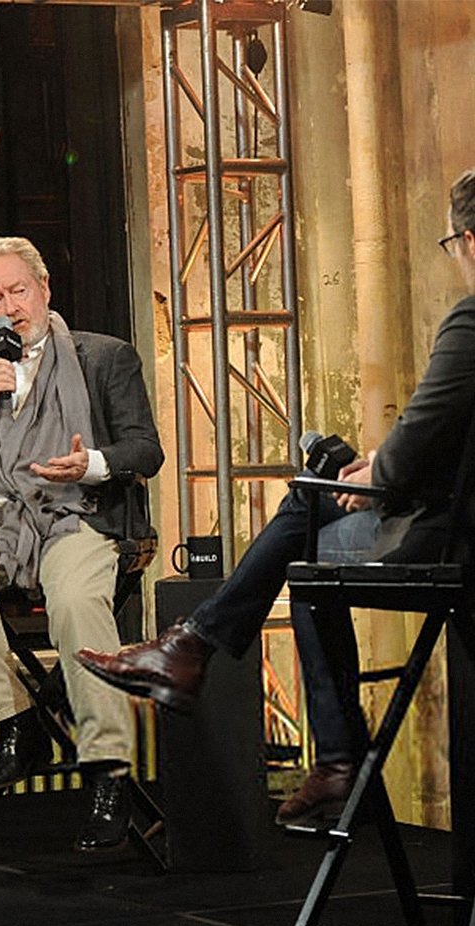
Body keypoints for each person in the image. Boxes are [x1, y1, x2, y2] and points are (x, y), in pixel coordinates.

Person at [78, 167, 475, 827]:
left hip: (452, 542)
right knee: (319, 493)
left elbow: (426, 430)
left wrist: (382, 477)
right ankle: (200, 653)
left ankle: (210, 658)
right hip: (449, 511)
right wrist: (382, 466)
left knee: (308, 525)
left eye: (450, 245)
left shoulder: (471, 318)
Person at [0, 236, 164, 851]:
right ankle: (14, 722)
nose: (10, 308)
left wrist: (91, 466)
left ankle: (108, 771)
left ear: (45, 287)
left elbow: (146, 450)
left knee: (78, 601)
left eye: (18, 291)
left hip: (78, 511)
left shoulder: (103, 357)